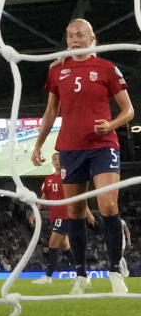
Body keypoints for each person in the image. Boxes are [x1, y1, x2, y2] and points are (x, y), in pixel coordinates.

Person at [31, 18, 134, 295]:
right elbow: (51, 112)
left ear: (92, 37)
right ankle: (81, 275)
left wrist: (111, 125)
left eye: (79, 35)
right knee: (75, 211)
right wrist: (38, 145)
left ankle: (114, 270)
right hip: (70, 148)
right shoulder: (57, 71)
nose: (73, 40)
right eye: (69, 36)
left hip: (103, 145)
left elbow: (129, 110)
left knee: (108, 205)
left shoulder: (106, 68)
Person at [29, 153, 95, 284]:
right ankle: (83, 276)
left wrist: (88, 213)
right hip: (55, 216)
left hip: (65, 215)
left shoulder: (68, 176)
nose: (56, 161)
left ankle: (48, 276)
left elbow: (79, 195)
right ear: (52, 162)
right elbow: (43, 198)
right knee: (65, 248)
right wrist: (34, 213)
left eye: (58, 159)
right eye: (54, 159)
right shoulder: (48, 179)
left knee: (52, 244)